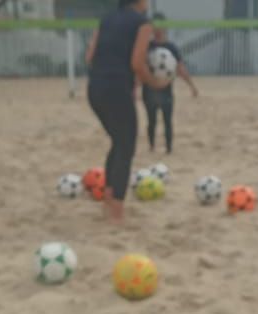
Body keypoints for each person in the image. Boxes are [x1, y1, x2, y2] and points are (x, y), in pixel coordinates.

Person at [85, 0, 167, 224]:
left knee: (118, 142)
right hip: (116, 90)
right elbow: (137, 63)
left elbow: (89, 57)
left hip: (95, 89)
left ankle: (108, 202)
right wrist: (154, 83)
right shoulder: (142, 23)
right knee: (125, 146)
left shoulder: (106, 19)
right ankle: (116, 211)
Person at [142, 13, 199, 154]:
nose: (158, 29)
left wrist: (191, 86)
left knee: (167, 120)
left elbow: (180, 68)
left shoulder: (171, 48)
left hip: (166, 89)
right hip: (149, 89)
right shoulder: (147, 47)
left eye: (160, 26)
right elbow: (140, 67)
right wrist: (135, 88)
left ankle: (169, 149)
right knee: (151, 120)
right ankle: (152, 147)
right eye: (155, 26)